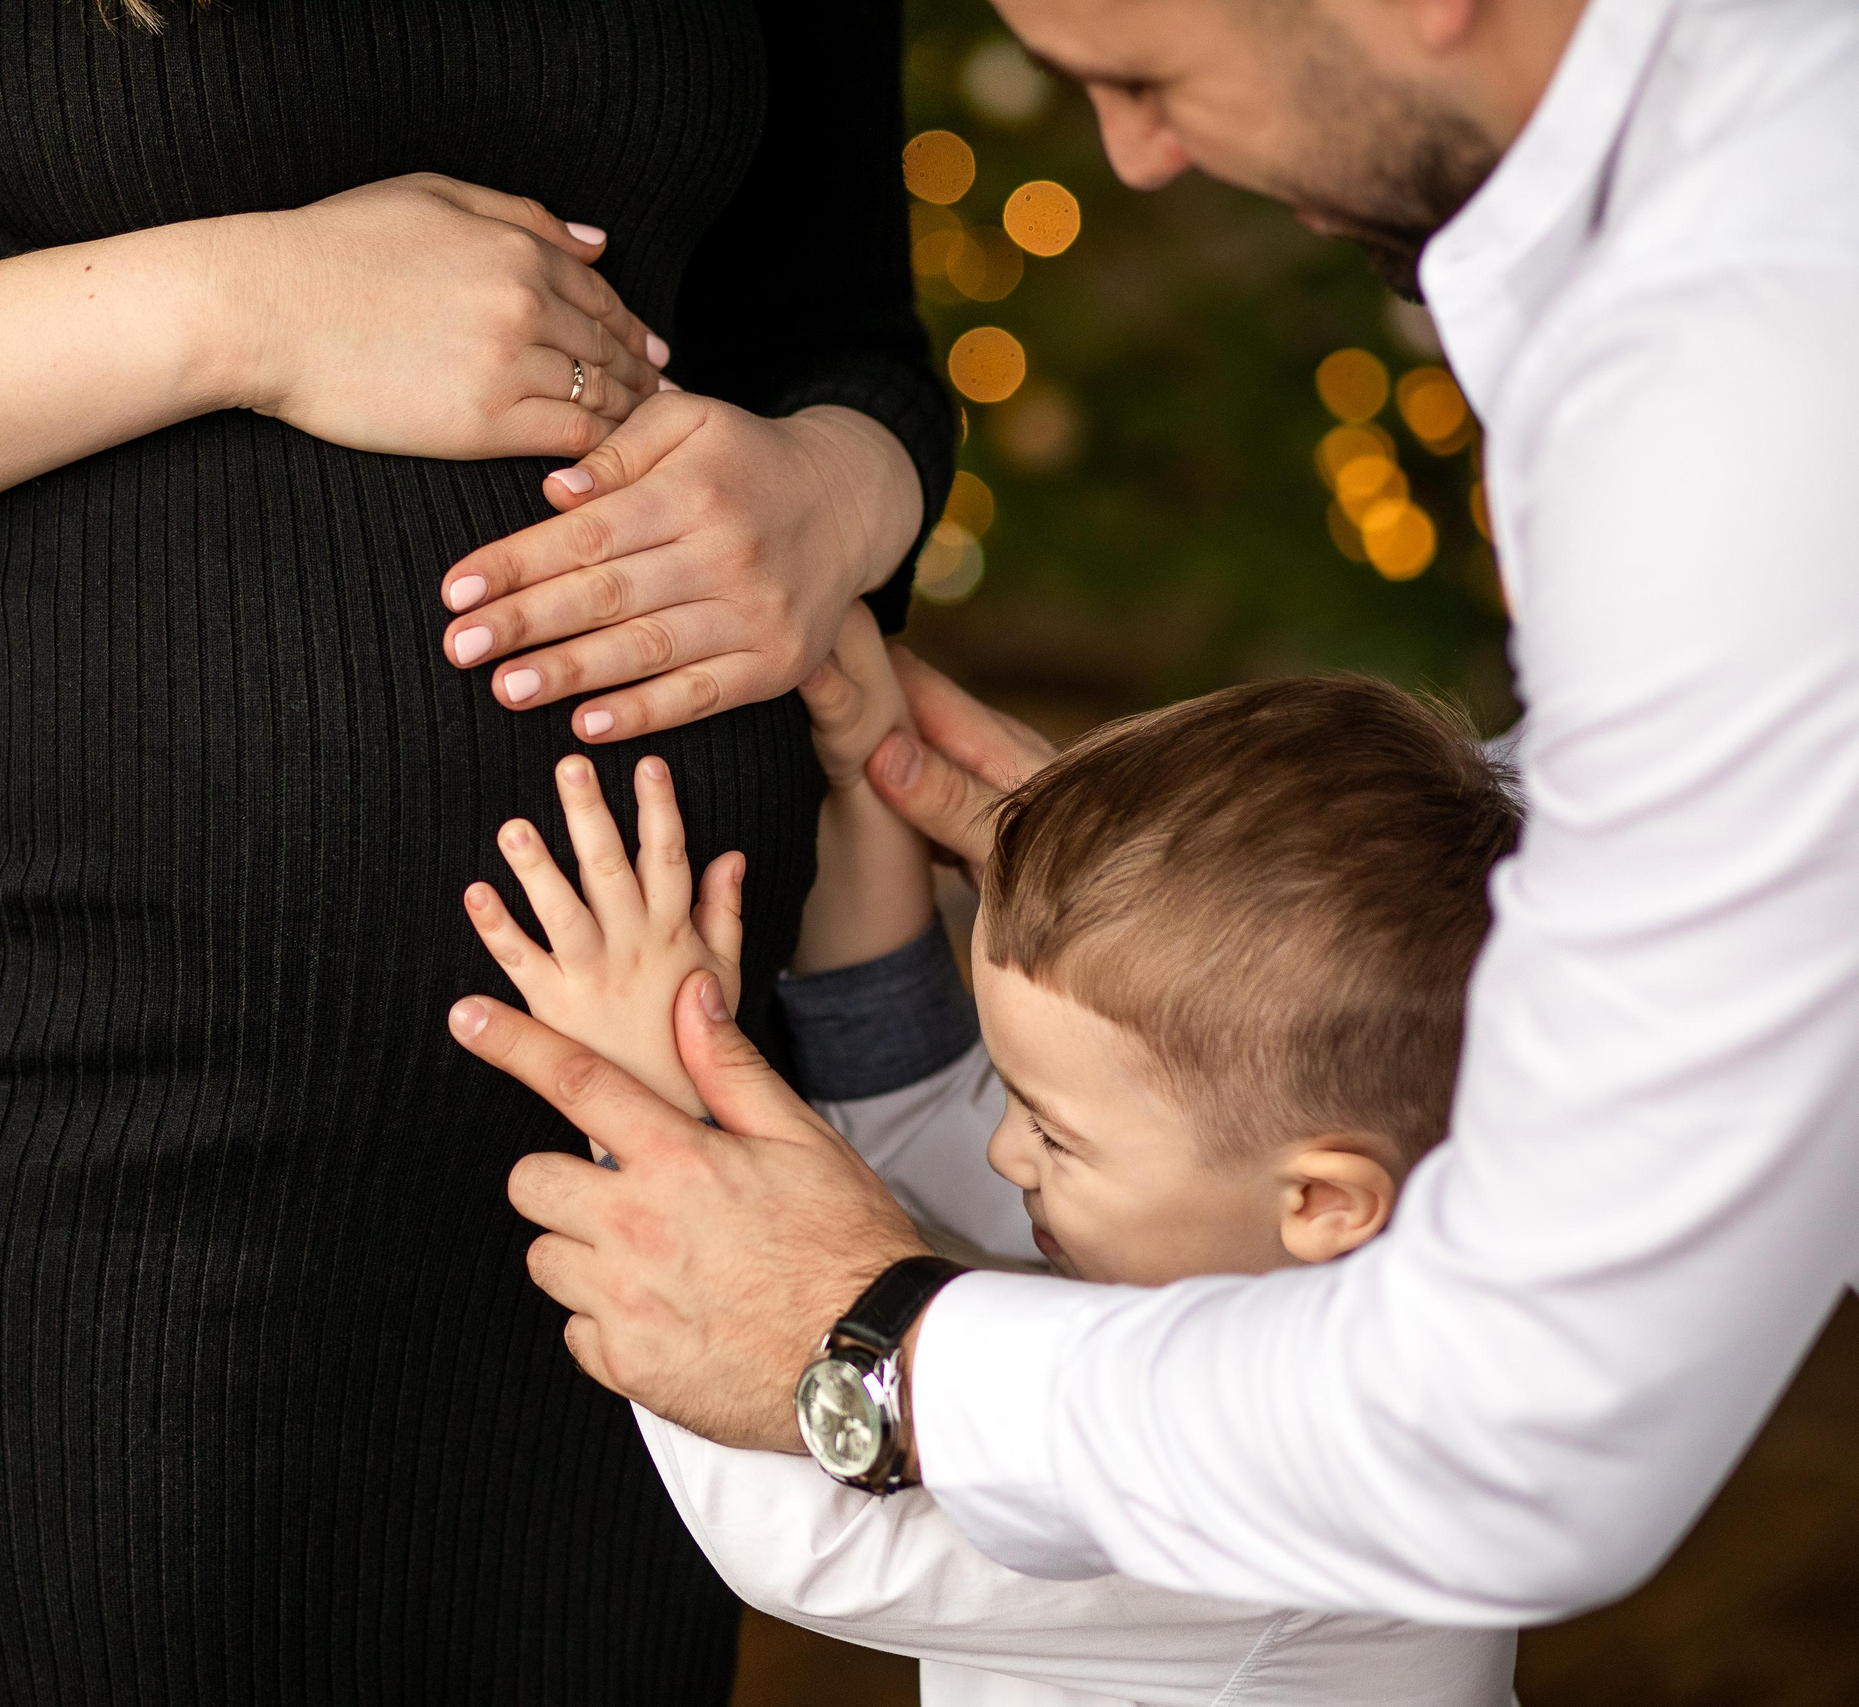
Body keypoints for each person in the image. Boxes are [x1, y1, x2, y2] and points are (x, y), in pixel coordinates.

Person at [0, 0, 952, 1698]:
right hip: (130, 1195)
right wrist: (245, 307)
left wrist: (833, 493)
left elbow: (848, 339)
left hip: (650, 1200)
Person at [459, 0, 1859, 1630]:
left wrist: (862, 1338)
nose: (1138, 152)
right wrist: (1213, 908)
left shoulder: (1747, 353)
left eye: (1143, 76)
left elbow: (1517, 1426)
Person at [459, 615, 1522, 1705]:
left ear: (1322, 1201)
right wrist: (867, 799)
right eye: (1013, 1090)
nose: (1006, 1145)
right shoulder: (1229, 1235)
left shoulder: (1315, 1479)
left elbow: (826, 1540)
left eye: (1053, 1130)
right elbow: (930, 1146)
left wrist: (644, 1095)